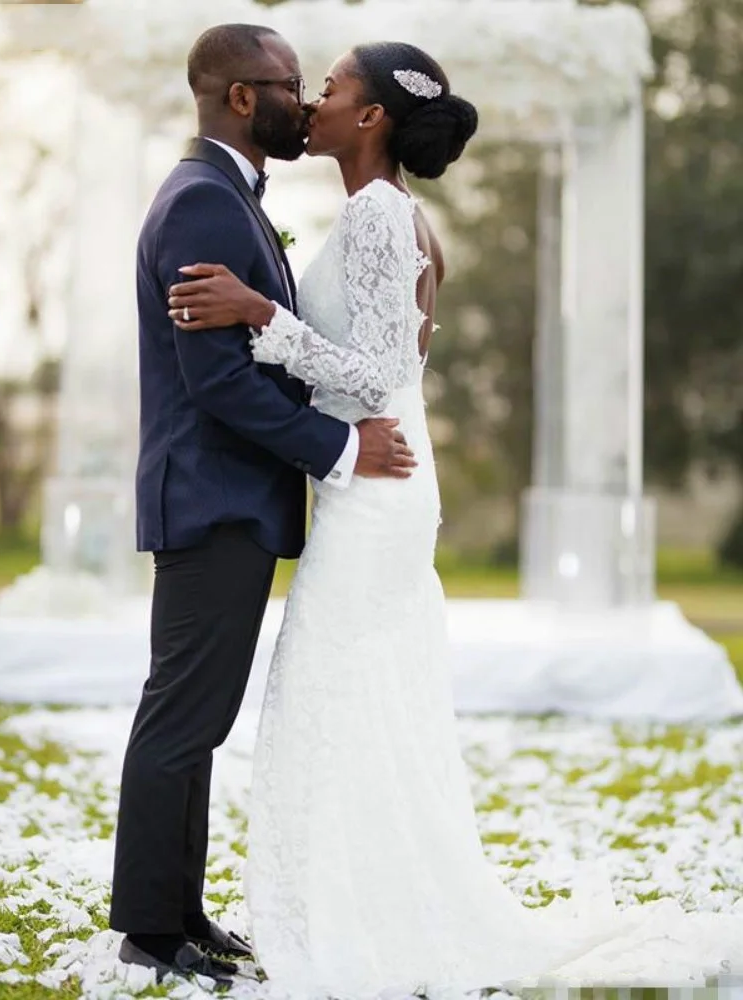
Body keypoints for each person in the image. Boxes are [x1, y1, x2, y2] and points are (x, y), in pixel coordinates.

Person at [168, 40, 743, 997]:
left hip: (380, 487)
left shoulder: (383, 214)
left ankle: (369, 919)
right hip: (377, 480)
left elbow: (382, 373)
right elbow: (390, 357)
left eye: (336, 86)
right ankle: (366, 901)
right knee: (358, 699)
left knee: (340, 695)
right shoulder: (377, 212)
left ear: (372, 119)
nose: (315, 98)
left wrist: (258, 312)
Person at [110, 24, 415, 985]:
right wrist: (340, 447)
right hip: (213, 499)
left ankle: (177, 911)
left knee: (196, 718)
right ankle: (150, 933)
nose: (304, 101)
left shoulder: (225, 196)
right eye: (292, 85)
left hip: (228, 499)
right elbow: (219, 384)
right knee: (182, 719)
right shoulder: (204, 203)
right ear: (244, 97)